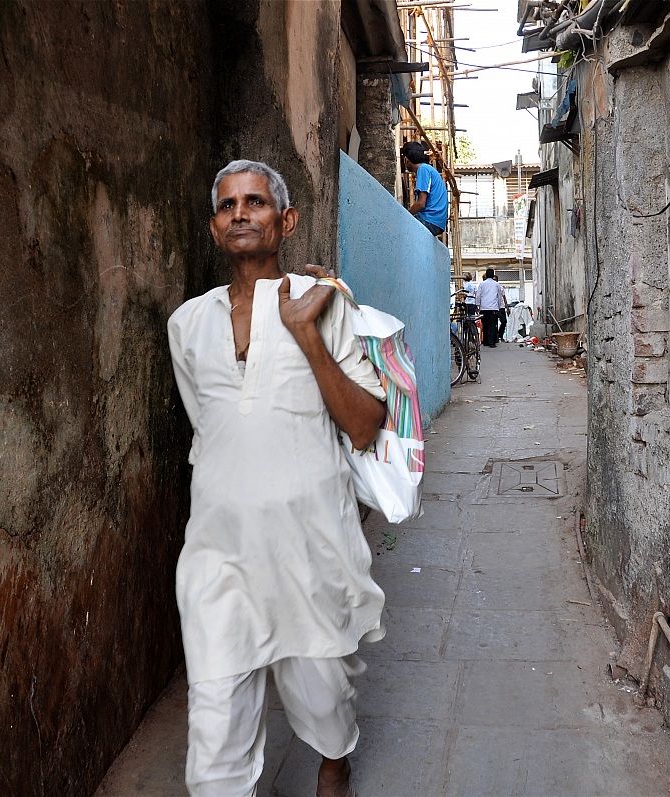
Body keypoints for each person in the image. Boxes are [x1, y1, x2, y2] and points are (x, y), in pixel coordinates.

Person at [167, 159, 387, 797]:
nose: (241, 212)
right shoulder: (188, 325)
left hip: (308, 546)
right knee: (214, 726)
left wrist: (305, 335)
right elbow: (209, 424)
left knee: (322, 697)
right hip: (217, 554)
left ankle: (335, 757)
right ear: (214, 228)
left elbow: (366, 424)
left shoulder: (324, 306)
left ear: (285, 221)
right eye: (228, 205)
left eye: (256, 202)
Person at [400, 141, 449, 237]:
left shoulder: (423, 170)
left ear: (406, 159)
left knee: (398, 227)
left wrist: (405, 215)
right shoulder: (429, 169)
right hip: (437, 221)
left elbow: (421, 204)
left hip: (430, 220)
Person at [477, 268, 502, 348]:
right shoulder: (497, 284)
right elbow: (499, 297)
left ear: (486, 275)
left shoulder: (482, 284)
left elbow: (478, 295)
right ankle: (492, 342)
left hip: (484, 307)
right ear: (493, 275)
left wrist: (478, 305)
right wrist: (498, 306)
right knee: (492, 325)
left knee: (485, 324)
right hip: (493, 307)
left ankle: (486, 341)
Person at [491, 274, 508, 342]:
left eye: (495, 279)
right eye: (493, 280)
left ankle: (500, 335)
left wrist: (507, 306)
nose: (494, 281)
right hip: (494, 306)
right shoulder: (490, 288)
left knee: (504, 321)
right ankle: (495, 337)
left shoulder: (500, 287)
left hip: (501, 307)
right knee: (494, 323)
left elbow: (504, 297)